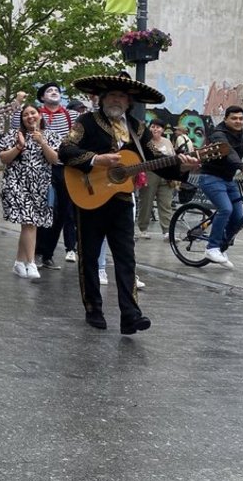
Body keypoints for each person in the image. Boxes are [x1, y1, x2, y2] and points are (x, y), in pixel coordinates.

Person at [60, 73, 199, 333]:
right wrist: (95, 160)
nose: (117, 99)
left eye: (122, 96)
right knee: (88, 256)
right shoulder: (86, 122)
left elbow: (156, 159)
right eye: (112, 95)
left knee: (126, 258)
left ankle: (131, 314)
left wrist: (183, 166)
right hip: (89, 197)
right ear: (102, 99)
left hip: (122, 201)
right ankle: (93, 307)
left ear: (128, 102)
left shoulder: (138, 128)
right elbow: (65, 150)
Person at [0, 103, 60, 279]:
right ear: (21, 118)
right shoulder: (13, 135)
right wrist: (19, 146)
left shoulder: (51, 135)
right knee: (29, 221)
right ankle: (31, 263)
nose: (30, 117)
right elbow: (3, 158)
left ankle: (19, 262)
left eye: (33, 113)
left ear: (40, 115)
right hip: (16, 183)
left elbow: (55, 160)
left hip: (41, 186)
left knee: (29, 223)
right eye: (26, 114)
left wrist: (42, 143)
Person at [198, 105, 243, 267]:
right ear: (226, 119)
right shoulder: (218, 134)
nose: (238, 121)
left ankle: (222, 246)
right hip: (210, 178)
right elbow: (229, 152)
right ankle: (212, 247)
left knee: (239, 217)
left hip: (228, 180)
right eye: (234, 118)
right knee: (226, 209)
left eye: (241, 118)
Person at [30, 82, 78, 269]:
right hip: (41, 167)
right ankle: (36, 250)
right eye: (49, 91)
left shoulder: (72, 115)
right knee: (41, 208)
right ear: (42, 97)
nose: (53, 92)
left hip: (65, 169)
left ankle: (48, 253)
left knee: (62, 211)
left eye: (56, 90)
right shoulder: (35, 114)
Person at [137, 120, 176, 238]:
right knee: (146, 202)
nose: (155, 129)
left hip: (166, 175)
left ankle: (167, 231)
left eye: (158, 127)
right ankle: (142, 229)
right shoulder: (145, 142)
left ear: (163, 130)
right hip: (150, 173)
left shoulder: (167, 141)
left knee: (166, 203)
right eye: (153, 127)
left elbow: (173, 156)